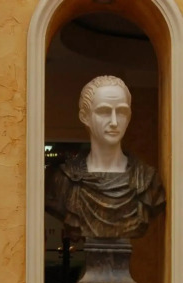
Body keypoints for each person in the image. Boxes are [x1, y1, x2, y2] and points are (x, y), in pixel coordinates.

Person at [44, 75, 165, 240]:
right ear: (85, 117)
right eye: (104, 112)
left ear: (129, 117)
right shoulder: (63, 181)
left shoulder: (148, 181)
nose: (114, 122)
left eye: (121, 112)